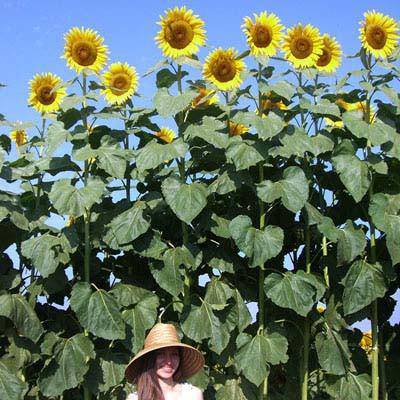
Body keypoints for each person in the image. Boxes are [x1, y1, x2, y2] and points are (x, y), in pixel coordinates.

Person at [125, 322, 205, 400]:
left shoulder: (192, 395)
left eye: (174, 354)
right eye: (161, 354)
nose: (169, 361)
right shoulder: (135, 398)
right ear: (150, 359)